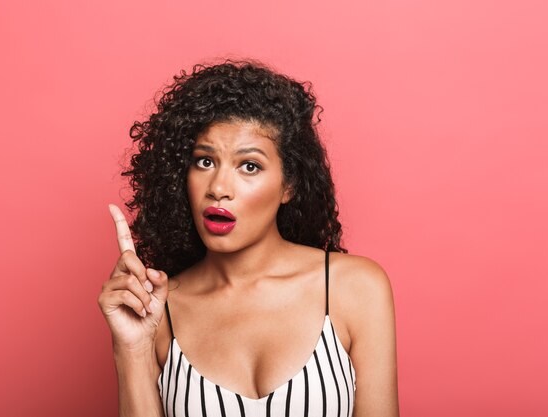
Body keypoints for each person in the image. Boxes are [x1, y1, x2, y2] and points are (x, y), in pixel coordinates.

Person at [98, 60, 399, 417]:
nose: (219, 189)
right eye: (204, 162)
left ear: (289, 185)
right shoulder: (158, 313)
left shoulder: (354, 288)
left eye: (249, 166)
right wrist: (131, 349)